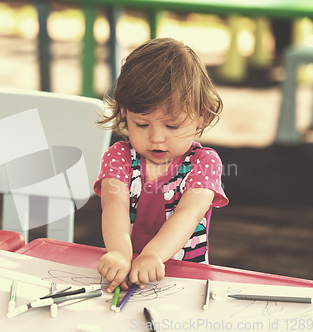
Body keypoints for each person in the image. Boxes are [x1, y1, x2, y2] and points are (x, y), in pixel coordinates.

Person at [93, 38, 229, 293]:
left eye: (172, 126)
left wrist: (153, 255)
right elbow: (114, 205)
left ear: (201, 115)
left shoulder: (204, 162)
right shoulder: (119, 156)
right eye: (142, 124)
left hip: (186, 279)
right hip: (125, 274)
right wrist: (120, 254)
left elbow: (188, 213)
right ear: (125, 113)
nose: (156, 138)